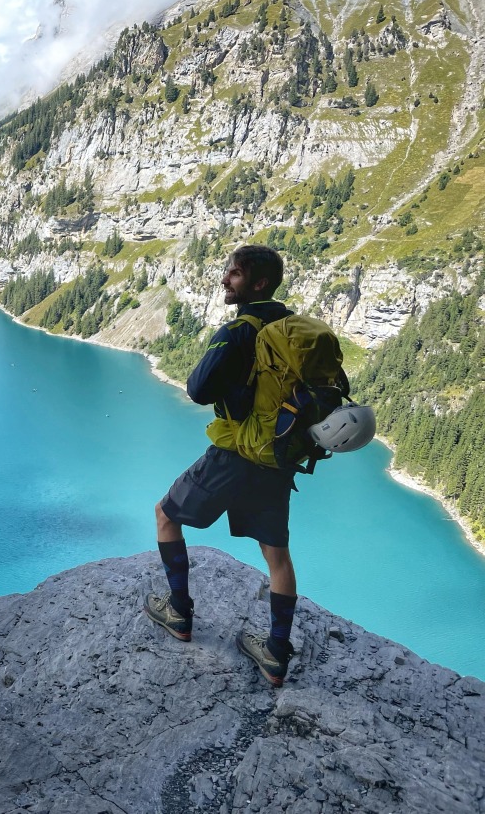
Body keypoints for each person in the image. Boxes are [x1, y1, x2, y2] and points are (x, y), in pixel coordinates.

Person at [143, 244, 299, 687]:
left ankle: (178, 612)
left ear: (258, 283)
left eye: (233, 273)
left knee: (166, 515)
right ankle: (275, 654)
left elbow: (197, 389)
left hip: (233, 455)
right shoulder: (290, 326)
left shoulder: (238, 332)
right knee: (278, 558)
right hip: (276, 458)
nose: (225, 279)